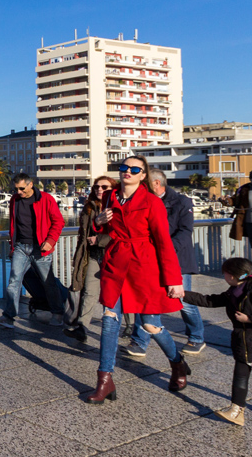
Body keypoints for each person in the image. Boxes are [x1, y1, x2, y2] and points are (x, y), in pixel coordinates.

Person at [86, 155, 189, 404]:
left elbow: (164, 242)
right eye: (124, 167)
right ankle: (104, 380)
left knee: (150, 326)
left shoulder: (152, 202)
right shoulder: (110, 196)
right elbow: (107, 228)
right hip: (116, 262)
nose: (127, 172)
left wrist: (174, 280)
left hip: (144, 266)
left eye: (134, 169)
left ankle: (177, 363)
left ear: (143, 175)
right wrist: (98, 223)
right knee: (110, 318)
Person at [184, 258, 252, 426]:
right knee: (240, 376)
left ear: (233, 275)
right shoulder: (235, 290)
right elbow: (211, 300)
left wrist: (249, 319)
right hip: (243, 342)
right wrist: (184, 294)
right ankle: (236, 410)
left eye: (225, 272)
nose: (223, 275)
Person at [123, 169, 208, 358]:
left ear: (156, 184)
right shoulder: (142, 200)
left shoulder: (182, 202)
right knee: (145, 299)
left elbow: (185, 232)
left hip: (176, 258)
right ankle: (139, 342)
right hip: (149, 259)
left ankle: (196, 337)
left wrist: (166, 249)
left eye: (146, 184)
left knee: (182, 299)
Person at [0, 173, 65, 328]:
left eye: (21, 188)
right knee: (14, 281)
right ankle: (8, 317)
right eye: (16, 189)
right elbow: (14, 225)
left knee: (48, 282)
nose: (19, 192)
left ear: (30, 184)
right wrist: (13, 247)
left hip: (40, 248)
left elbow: (58, 222)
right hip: (20, 247)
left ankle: (58, 313)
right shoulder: (14, 200)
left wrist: (50, 241)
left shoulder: (46, 199)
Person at [64, 176, 116, 343]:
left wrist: (99, 240)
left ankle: (129, 327)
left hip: (113, 256)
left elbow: (121, 235)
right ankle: (82, 327)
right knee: (89, 291)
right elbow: (84, 233)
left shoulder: (117, 207)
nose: (99, 190)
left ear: (113, 189)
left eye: (104, 187)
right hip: (92, 255)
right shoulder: (88, 208)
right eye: (96, 187)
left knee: (118, 292)